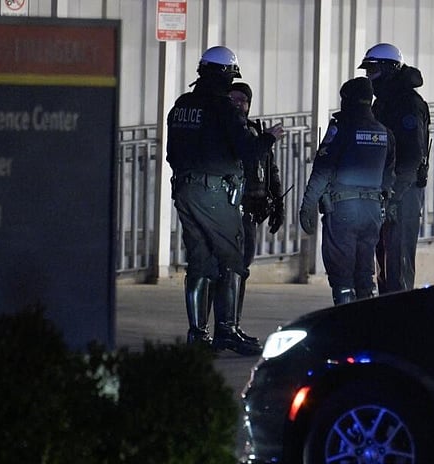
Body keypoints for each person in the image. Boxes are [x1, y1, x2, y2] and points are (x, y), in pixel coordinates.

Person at [167, 46, 285, 356]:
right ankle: (227, 331)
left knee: (200, 261)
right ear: (225, 75)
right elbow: (248, 150)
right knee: (233, 259)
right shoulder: (223, 108)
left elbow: (171, 153)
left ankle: (197, 334)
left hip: (185, 190)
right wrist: (269, 138)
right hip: (215, 193)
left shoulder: (182, 105)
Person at [299, 77, 395, 305]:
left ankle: (345, 320)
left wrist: (308, 206)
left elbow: (322, 170)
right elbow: (389, 177)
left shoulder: (340, 129)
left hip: (343, 210)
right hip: (372, 212)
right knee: (365, 274)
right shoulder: (385, 133)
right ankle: (363, 319)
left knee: (342, 274)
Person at [358, 43, 430, 294]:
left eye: (373, 70)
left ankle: (401, 313)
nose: (369, 77)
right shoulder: (383, 103)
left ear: (389, 69)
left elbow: (412, 157)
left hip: (403, 191)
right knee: (382, 260)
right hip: (385, 190)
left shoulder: (408, 103)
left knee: (397, 260)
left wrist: (394, 196)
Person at [226, 81, 285, 339]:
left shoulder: (254, 131)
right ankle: (218, 328)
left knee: (242, 268)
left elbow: (270, 170)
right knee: (224, 270)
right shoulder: (227, 131)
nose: (239, 104)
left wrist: (278, 204)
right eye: (234, 99)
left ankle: (232, 325)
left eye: (243, 100)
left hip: (251, 212)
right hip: (228, 211)